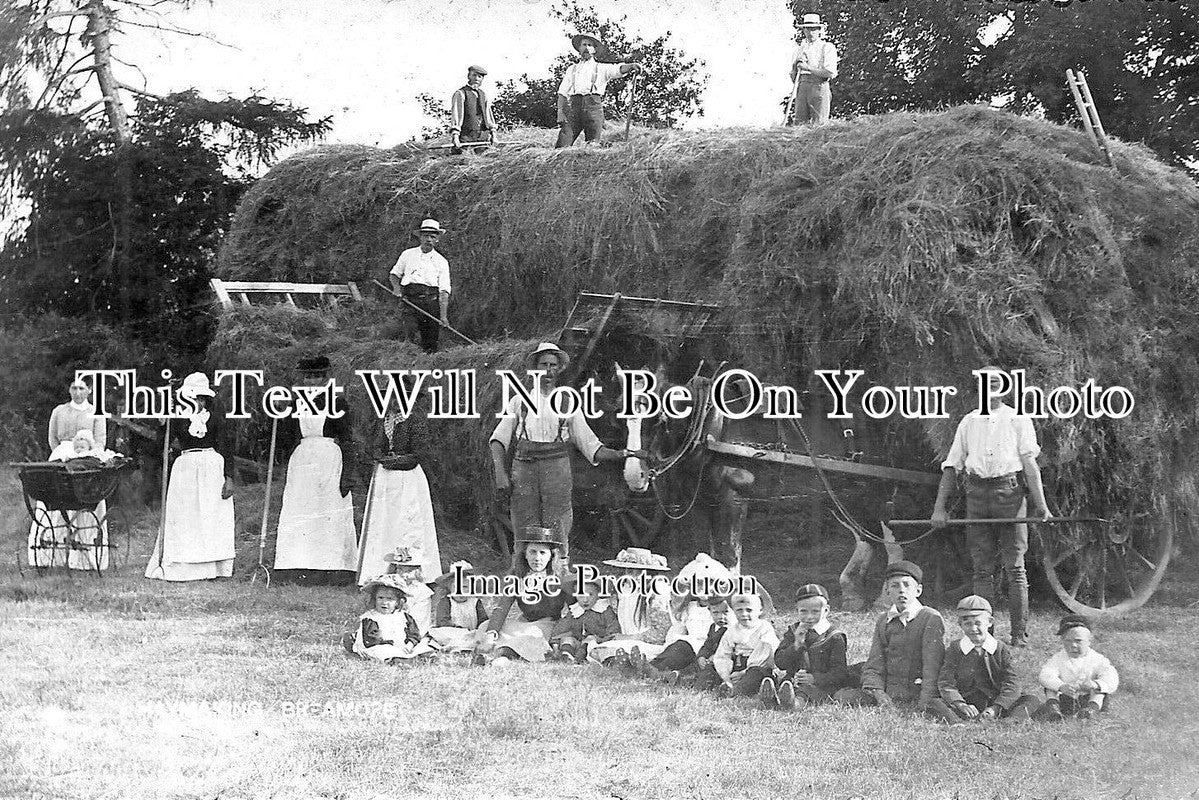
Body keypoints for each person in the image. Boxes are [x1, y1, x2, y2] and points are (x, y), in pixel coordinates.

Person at [932, 366, 1051, 647]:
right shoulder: (969, 422)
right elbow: (951, 467)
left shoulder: (1018, 419)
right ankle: (985, 635)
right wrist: (939, 509)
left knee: (1015, 567)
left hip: (1009, 495)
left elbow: (1030, 465)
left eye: (996, 382)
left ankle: (1018, 636)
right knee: (982, 570)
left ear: (1005, 387)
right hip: (976, 497)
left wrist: (1041, 506)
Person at [489, 342, 637, 558]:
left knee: (557, 525)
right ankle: (521, 579)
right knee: (524, 524)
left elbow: (591, 446)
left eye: (553, 366)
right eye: (543, 365)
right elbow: (498, 440)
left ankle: (557, 579)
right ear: (535, 369)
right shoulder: (518, 401)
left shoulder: (569, 404)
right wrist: (500, 475)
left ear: (559, 370)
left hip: (556, 470)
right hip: (524, 469)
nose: (548, 371)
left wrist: (622, 454)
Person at [272, 355, 359, 586]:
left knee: (329, 511)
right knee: (299, 510)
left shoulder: (337, 402)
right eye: (308, 377)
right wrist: (278, 417)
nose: (312, 381)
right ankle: (296, 567)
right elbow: (286, 437)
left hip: (329, 458)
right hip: (302, 460)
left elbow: (348, 438)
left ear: (325, 377)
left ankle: (333, 571)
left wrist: (348, 473)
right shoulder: (295, 403)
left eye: (317, 376)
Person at [145, 372, 235, 581]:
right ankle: (184, 566)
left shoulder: (214, 419)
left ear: (206, 400)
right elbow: (161, 445)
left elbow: (225, 446)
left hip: (212, 467)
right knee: (185, 514)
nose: (197, 402)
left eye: (200, 398)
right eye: (192, 397)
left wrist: (229, 476)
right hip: (185, 468)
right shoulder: (176, 419)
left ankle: (214, 567)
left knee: (211, 514)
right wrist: (162, 425)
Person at [357, 389, 442, 587]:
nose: (396, 402)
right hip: (385, 477)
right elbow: (376, 447)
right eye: (393, 397)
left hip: (408, 477)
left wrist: (396, 461)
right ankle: (378, 570)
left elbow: (418, 454)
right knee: (385, 521)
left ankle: (413, 572)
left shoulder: (415, 422)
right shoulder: (385, 421)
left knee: (408, 521)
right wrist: (381, 457)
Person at [835, 560, 945, 710]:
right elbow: (875, 662)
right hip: (888, 690)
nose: (901, 590)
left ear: (918, 590)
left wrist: (924, 703)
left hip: (915, 691)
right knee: (841, 694)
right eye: (895, 586)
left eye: (907, 585)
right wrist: (878, 693)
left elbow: (932, 666)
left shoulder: (930, 618)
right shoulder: (883, 620)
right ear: (887, 591)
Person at [929, 595, 1039, 724]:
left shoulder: (1000, 649)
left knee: (1031, 699)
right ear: (960, 625)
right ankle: (956, 722)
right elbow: (946, 682)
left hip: (994, 700)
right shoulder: (955, 648)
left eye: (978, 623)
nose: (973, 629)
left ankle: (1010, 721)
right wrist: (960, 704)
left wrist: (996, 707)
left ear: (990, 622)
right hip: (967, 699)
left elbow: (1012, 682)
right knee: (934, 702)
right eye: (967, 624)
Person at [475, 526, 577, 665]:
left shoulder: (560, 576)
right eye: (533, 552)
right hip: (524, 622)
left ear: (551, 556)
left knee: (530, 635)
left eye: (542, 553)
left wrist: (561, 631)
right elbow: (502, 608)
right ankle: (491, 649)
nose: (537, 558)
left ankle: (500, 653)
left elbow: (575, 609)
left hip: (548, 624)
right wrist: (491, 634)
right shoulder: (517, 577)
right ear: (525, 554)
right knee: (486, 626)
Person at [762, 583, 852, 711]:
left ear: (826, 610)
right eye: (803, 611)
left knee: (807, 692)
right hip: (794, 680)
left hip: (821, 684)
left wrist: (814, 678)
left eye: (815, 612)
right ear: (797, 610)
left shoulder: (834, 637)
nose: (809, 617)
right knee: (783, 682)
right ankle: (772, 699)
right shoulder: (793, 631)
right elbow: (780, 662)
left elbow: (840, 673)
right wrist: (797, 644)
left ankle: (793, 704)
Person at [555, 32, 641, 148]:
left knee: (592, 146)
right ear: (579, 48)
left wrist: (631, 66)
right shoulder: (571, 69)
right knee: (562, 144)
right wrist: (560, 111)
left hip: (593, 109)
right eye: (584, 44)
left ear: (594, 50)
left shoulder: (601, 68)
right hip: (574, 109)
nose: (586, 48)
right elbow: (562, 92)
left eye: (590, 45)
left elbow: (618, 69)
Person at [587, 547, 671, 664]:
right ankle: (623, 661)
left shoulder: (655, 590)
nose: (632, 574)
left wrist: (630, 638)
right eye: (629, 569)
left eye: (637, 570)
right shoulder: (623, 589)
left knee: (612, 651)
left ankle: (627, 662)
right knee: (594, 649)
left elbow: (660, 633)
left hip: (648, 643)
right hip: (626, 640)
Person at [1035, 615, 1119, 721]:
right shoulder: (1058, 658)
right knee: (1049, 688)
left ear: (1089, 641)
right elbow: (1046, 674)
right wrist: (1061, 686)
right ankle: (1054, 710)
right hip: (1066, 698)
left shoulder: (1097, 659)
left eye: (1078, 641)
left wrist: (1095, 684)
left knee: (1100, 691)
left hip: (1088, 698)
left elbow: (1111, 677)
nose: (1073, 645)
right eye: (1067, 641)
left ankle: (1091, 711)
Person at [388, 219, 451, 353]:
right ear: (420, 237)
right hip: (410, 302)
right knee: (408, 338)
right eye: (426, 236)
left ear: (437, 239)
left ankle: (428, 367)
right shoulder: (408, 254)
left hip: (431, 304)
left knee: (430, 343)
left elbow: (444, 291)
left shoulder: (442, 261)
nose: (428, 239)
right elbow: (394, 274)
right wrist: (397, 289)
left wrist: (443, 316)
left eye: (432, 237)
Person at [707, 591, 779, 697]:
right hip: (736, 664)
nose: (744, 614)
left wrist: (743, 673)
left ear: (760, 610)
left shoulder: (764, 628)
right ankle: (708, 686)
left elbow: (764, 656)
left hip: (756, 666)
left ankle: (735, 692)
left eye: (749, 610)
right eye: (739, 610)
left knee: (755, 675)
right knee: (712, 667)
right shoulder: (732, 630)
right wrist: (726, 676)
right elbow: (723, 654)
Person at [351, 574, 433, 663]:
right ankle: (400, 660)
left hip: (405, 647)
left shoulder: (403, 617)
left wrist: (409, 645)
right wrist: (395, 646)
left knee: (422, 646)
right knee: (383, 651)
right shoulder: (372, 618)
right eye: (380, 598)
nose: (384, 602)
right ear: (374, 599)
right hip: (382, 645)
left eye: (390, 599)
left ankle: (417, 657)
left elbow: (414, 633)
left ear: (398, 602)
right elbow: (373, 640)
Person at [650, 599, 728, 686]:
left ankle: (664, 674)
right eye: (698, 585)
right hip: (694, 645)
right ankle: (652, 668)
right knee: (675, 650)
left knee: (691, 668)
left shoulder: (722, 608)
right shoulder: (691, 606)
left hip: (708, 652)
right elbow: (679, 627)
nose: (720, 616)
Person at [550, 576, 620, 663]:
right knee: (567, 639)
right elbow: (560, 629)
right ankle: (567, 656)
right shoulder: (575, 611)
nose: (585, 600)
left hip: (597, 645)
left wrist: (600, 639)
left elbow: (613, 630)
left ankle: (581, 658)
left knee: (590, 639)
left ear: (598, 594)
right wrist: (555, 648)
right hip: (578, 644)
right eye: (581, 595)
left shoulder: (604, 610)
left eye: (590, 594)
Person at [427, 561, 489, 653]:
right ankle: (455, 647)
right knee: (439, 634)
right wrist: (460, 631)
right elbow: (442, 622)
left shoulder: (475, 602)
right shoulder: (446, 602)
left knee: (485, 636)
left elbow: (483, 620)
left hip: (471, 634)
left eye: (465, 587)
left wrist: (479, 630)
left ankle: (466, 647)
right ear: (450, 587)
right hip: (452, 633)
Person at [787, 14, 839, 125]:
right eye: (807, 29)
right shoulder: (799, 50)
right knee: (799, 124)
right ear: (804, 30)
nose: (810, 33)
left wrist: (807, 67)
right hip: (802, 87)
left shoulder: (827, 47)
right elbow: (793, 77)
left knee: (819, 124)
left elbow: (829, 73)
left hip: (819, 87)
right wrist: (796, 65)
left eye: (813, 29)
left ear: (819, 30)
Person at [48, 377, 107, 453]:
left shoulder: (96, 413)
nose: (77, 393)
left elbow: (99, 442)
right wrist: (58, 454)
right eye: (74, 388)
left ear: (89, 390)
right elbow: (53, 437)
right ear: (69, 389)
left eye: (81, 388)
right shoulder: (59, 411)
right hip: (62, 454)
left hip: (87, 456)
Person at [450, 65, 497, 150]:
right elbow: (456, 115)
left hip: (483, 137)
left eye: (479, 76)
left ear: (482, 79)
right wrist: (455, 136)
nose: (476, 79)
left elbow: (488, 116)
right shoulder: (461, 93)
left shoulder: (483, 95)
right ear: (469, 76)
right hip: (466, 137)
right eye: (474, 75)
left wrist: (493, 134)